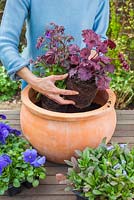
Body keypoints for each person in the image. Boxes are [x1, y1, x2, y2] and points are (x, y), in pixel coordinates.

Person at [0, 0, 109, 105]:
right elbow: (4, 42)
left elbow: (99, 40)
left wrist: (91, 69)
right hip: (38, 90)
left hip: (79, 90)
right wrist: (35, 81)